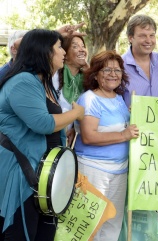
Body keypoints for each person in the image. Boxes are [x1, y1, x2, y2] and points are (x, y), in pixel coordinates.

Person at [0, 29, 84, 241]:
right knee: (20, 232)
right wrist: (75, 113)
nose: (63, 52)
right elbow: (43, 124)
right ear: (44, 52)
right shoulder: (23, 82)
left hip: (43, 176)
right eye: (58, 47)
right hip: (20, 174)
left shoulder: (43, 82)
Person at [74, 50, 139, 241]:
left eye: (117, 70)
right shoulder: (90, 99)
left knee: (112, 223)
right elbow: (89, 136)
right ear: (96, 74)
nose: (113, 74)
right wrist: (123, 134)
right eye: (107, 70)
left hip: (119, 171)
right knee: (90, 224)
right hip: (94, 170)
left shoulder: (119, 99)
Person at [122, 14, 158, 107]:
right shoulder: (119, 64)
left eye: (152, 35)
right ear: (130, 38)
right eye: (143, 36)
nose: (148, 40)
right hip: (130, 121)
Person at [53, 35, 88, 145]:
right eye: (75, 46)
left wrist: (74, 128)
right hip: (50, 135)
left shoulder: (86, 79)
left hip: (70, 140)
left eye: (83, 46)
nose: (82, 49)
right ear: (65, 54)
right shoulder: (54, 75)